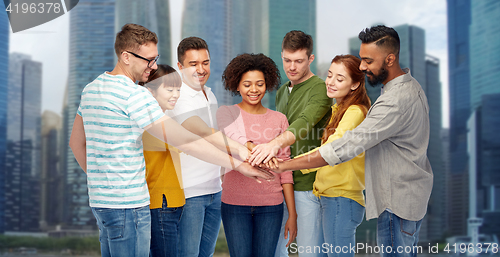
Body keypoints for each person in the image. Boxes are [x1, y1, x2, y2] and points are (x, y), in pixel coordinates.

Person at [69, 24, 272, 257]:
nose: (153, 66)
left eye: (156, 59)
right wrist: (239, 163)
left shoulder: (91, 89)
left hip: (101, 203)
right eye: (149, 60)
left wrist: (104, 184)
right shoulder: (134, 95)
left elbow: (76, 143)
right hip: (130, 205)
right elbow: (185, 140)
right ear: (126, 57)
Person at [273, 25, 433, 257]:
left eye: (368, 60)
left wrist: (284, 165)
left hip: (393, 201)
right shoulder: (405, 90)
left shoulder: (391, 102)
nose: (362, 66)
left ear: (389, 59)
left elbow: (340, 148)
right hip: (401, 197)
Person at [248, 30, 332, 257]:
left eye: (298, 61)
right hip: (280, 185)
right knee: (277, 251)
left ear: (310, 59)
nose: (291, 67)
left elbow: (304, 123)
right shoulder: (282, 91)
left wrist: (273, 145)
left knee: (308, 252)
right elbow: (276, 128)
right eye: (287, 60)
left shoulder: (321, 89)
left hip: (308, 186)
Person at [167, 37, 252, 257]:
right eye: (193, 64)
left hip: (215, 191)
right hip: (189, 193)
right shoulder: (178, 96)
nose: (201, 69)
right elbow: (204, 132)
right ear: (180, 67)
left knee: (206, 253)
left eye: (205, 62)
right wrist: (241, 151)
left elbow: (220, 136)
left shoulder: (210, 94)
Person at [216, 53, 297, 257]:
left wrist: (292, 213)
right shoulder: (226, 113)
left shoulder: (279, 119)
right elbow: (234, 138)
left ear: (267, 83)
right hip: (234, 204)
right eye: (247, 84)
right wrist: (261, 151)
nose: (254, 90)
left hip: (271, 206)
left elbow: (286, 169)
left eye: (259, 84)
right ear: (237, 85)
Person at [290, 55, 370, 257]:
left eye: (340, 79)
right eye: (329, 75)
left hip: (341, 199)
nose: (331, 82)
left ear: (355, 85)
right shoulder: (337, 111)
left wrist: (288, 164)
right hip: (330, 198)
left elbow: (332, 150)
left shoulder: (355, 112)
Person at [141, 64, 183, 257]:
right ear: (150, 90)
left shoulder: (164, 119)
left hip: (172, 201)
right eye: (169, 89)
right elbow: (193, 144)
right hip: (161, 204)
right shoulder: (152, 123)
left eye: (178, 89)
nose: (175, 94)